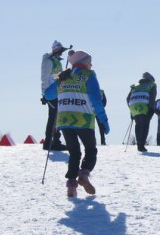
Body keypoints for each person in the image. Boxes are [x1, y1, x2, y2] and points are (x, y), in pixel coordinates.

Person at [43, 50, 110, 197]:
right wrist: (104, 122)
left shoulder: (64, 77)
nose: (91, 65)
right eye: (89, 62)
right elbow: (97, 100)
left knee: (74, 153)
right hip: (83, 119)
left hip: (64, 120)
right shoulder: (89, 75)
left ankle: (71, 187)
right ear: (84, 62)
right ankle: (84, 175)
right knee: (91, 150)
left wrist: (59, 79)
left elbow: (48, 94)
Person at [40, 40, 69, 151]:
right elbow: (44, 78)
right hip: (51, 92)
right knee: (53, 118)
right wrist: (44, 94)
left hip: (57, 92)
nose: (61, 53)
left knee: (57, 117)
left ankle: (55, 141)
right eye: (60, 51)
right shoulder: (48, 61)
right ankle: (49, 142)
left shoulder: (58, 62)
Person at [127, 72, 157, 152]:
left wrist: (131, 110)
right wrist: (151, 109)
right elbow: (152, 98)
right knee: (145, 125)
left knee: (138, 125)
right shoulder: (152, 85)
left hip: (134, 106)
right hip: (144, 106)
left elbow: (128, 98)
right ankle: (141, 145)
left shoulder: (135, 85)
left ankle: (138, 143)